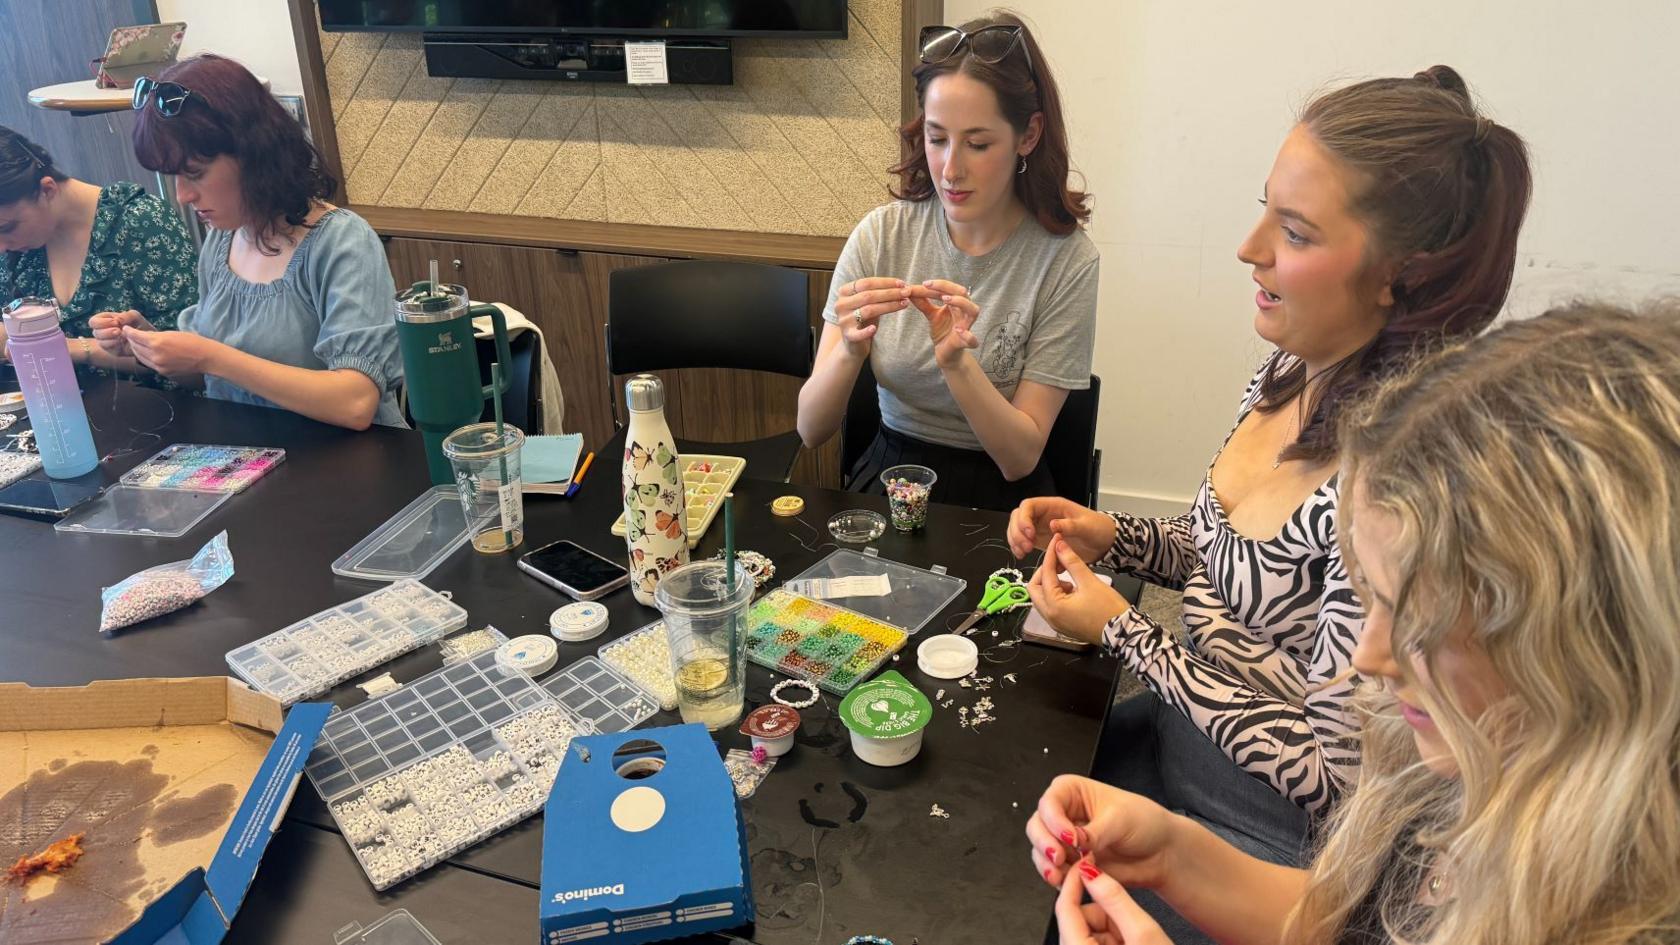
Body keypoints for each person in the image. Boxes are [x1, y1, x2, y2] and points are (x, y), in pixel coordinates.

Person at [1008, 64, 1533, 920]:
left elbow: (1330, 773)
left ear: (1398, 272)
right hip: (1172, 758)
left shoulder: (1391, 484)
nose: (1251, 247)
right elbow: (1229, 562)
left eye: (1292, 230)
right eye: (1265, 211)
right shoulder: (1292, 367)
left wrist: (1124, 630)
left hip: (1262, 844)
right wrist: (1119, 537)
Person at [1027, 302, 1680, 945]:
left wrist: (1127, 631)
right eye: (1367, 599)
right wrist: (1174, 853)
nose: (1366, 657)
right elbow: (1336, 913)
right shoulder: (1443, 769)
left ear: (1592, 644)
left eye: (1418, 621)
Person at [795, 11, 1098, 511]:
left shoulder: (1065, 261)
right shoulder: (881, 235)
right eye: (936, 139)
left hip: (1006, 499)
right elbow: (810, 429)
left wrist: (957, 362)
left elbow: (1019, 458)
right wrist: (849, 351)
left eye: (978, 144)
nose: (951, 169)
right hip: (890, 479)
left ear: (1028, 135)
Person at [91, 55, 403, 430]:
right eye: (172, 177)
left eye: (195, 174)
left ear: (253, 154)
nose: (183, 196)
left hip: (350, 465)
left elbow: (355, 403)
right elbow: (209, 376)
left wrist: (211, 357)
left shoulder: (341, 242)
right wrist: (150, 347)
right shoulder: (222, 241)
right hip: (252, 459)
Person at [0, 125, 196, 371]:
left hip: (157, 404)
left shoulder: (140, 221)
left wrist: (72, 348)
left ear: (48, 190)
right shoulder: (21, 247)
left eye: (6, 229)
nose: (2, 247)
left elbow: (191, 362)